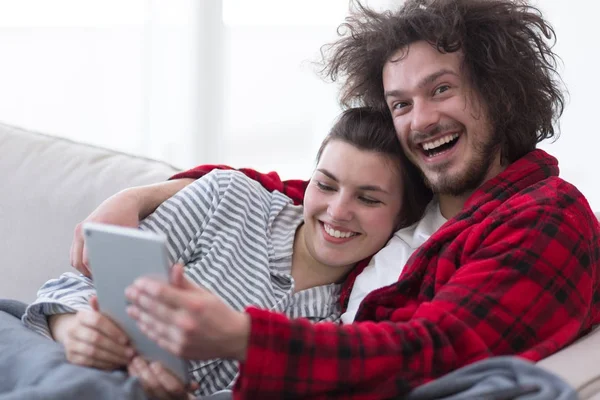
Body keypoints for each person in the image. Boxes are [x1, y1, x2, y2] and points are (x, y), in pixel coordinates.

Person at [70, 0, 600, 398]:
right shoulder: (418, 207)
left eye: (441, 89)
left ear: (500, 91)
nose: (420, 119)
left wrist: (244, 337)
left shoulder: (546, 217)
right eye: (400, 103)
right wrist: (142, 196)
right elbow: (318, 196)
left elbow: (435, 352)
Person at [21, 107, 431, 399]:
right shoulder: (229, 197)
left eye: (368, 199)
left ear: (402, 218)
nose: (337, 211)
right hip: (64, 361)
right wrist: (75, 329)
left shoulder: (347, 323)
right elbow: (74, 284)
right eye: (325, 184)